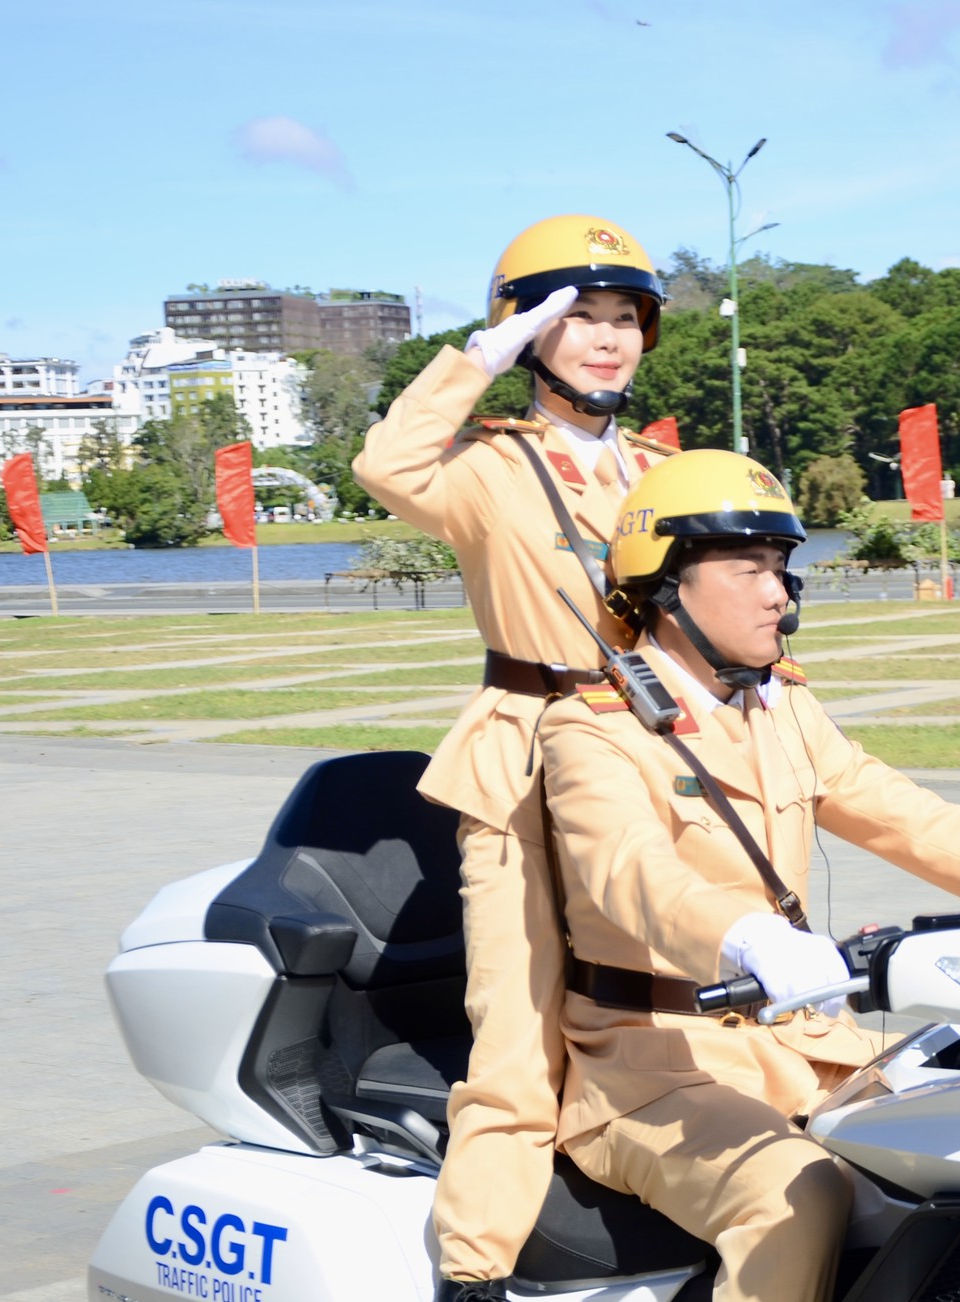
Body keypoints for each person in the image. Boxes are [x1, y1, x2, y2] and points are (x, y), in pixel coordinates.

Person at [536, 450, 960, 1302]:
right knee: (797, 1195)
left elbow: (906, 815)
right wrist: (748, 939)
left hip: (803, 1046)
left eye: (783, 567)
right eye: (748, 567)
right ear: (668, 583)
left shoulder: (779, 704)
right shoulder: (591, 728)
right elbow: (625, 872)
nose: (777, 592)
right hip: (651, 1069)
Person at [351, 213, 673, 1301]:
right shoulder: (490, 468)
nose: (605, 337)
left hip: (655, 760)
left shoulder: (663, 469)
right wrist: (476, 357)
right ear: (528, 330)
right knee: (517, 1020)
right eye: (576, 315)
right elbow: (386, 465)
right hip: (527, 757)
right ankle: (478, 1269)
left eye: (624, 317)